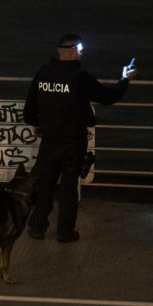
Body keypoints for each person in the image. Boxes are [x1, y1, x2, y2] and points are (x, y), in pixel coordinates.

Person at [23, 34, 136, 242]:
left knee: (45, 186)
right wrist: (124, 80)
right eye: (81, 48)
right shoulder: (80, 77)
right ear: (70, 50)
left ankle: (37, 227)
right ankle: (65, 233)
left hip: (49, 142)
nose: (82, 52)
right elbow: (107, 97)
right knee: (68, 190)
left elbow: (30, 108)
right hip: (72, 143)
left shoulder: (43, 73)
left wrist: (36, 124)